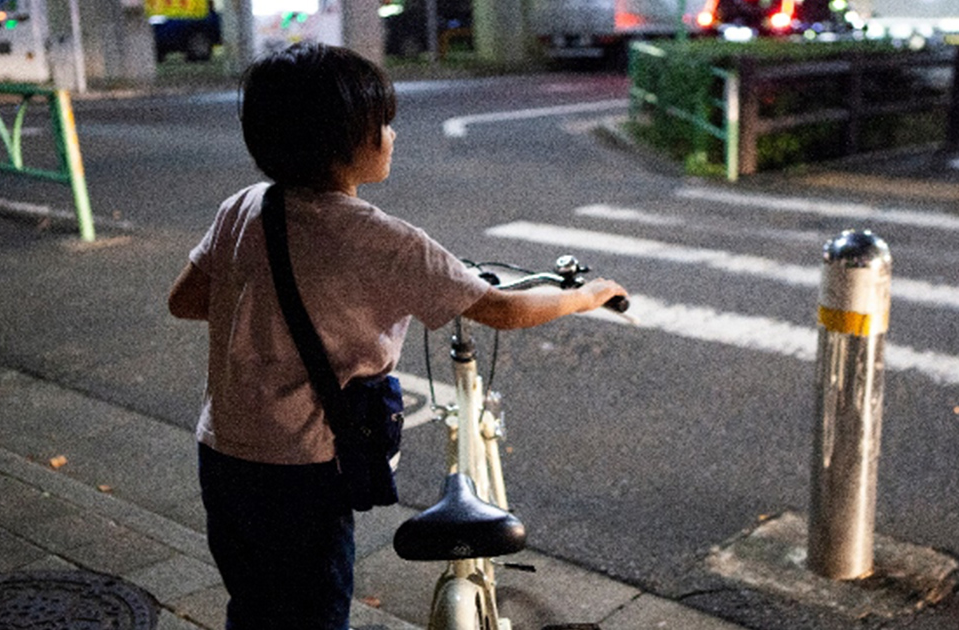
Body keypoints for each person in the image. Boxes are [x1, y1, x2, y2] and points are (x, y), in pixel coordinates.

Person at [167, 41, 627, 630]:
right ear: (344, 140)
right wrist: (587, 295)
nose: (392, 135)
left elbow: (186, 300)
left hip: (224, 455)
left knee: (253, 603)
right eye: (382, 123)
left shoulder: (243, 206)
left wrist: (264, 319)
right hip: (303, 468)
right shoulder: (385, 243)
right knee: (314, 612)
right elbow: (505, 311)